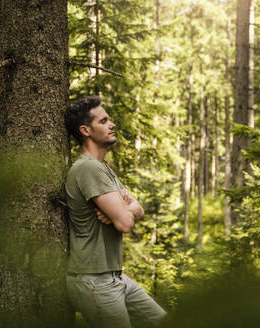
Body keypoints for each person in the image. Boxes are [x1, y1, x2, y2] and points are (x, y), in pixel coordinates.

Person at [63, 96, 166, 328]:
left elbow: (137, 209)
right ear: (85, 130)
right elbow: (125, 224)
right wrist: (123, 211)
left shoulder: (102, 168)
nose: (112, 124)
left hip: (113, 277)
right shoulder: (88, 168)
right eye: (104, 121)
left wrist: (125, 208)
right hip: (94, 281)